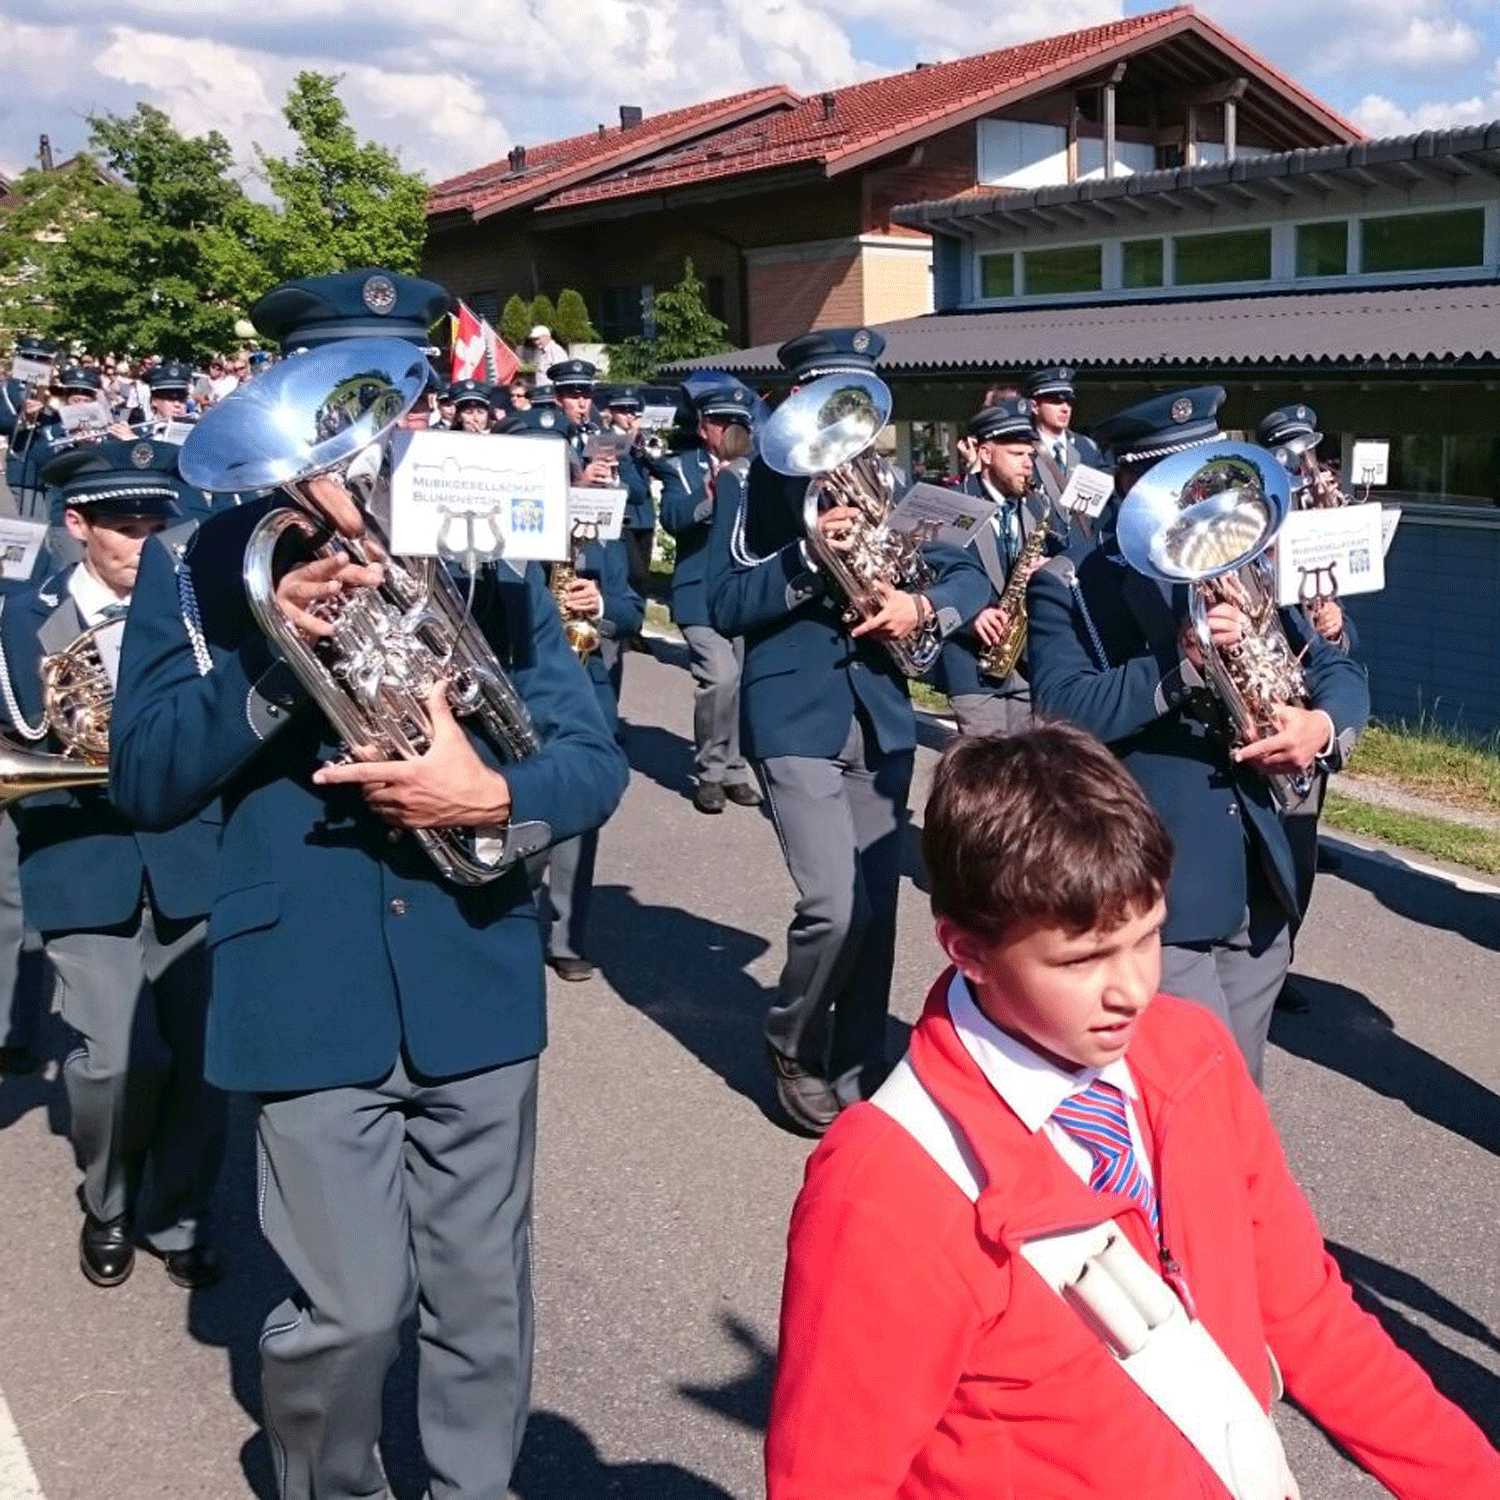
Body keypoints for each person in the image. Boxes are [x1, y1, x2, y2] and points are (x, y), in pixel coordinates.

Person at [109, 269, 630, 1499]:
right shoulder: (197, 567)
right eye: (332, 406)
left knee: (482, 1303)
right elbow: (144, 777)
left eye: (385, 402)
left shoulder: (488, 548)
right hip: (304, 980)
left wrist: (494, 798)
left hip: (475, 956)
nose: (363, 443)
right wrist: (279, 655)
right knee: (345, 1314)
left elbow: (589, 757)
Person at [766, 723, 1500, 1500]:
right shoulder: (886, 1190)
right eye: (1081, 960)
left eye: (1147, 938)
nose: (1133, 991)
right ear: (968, 950)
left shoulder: (1192, 1053)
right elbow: (832, 1476)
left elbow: (1311, 1319)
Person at [1026, 386, 1369, 1085]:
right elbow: (1060, 712)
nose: (1199, 508)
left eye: (1207, 484)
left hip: (1263, 879)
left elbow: (1334, 667)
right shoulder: (1071, 585)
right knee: (1191, 1096)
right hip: (1163, 888)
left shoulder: (1253, 566)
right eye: (1176, 487)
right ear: (1130, 485)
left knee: (1239, 1097)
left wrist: (1322, 727)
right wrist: (1178, 666)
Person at [706, 326, 989, 1134]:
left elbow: (970, 569)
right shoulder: (752, 484)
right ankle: (792, 1042)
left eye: (858, 403)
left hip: (881, 712)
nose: (845, 427)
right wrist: (805, 557)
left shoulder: (895, 484)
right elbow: (721, 603)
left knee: (875, 906)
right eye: (831, 403)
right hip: (793, 710)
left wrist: (922, 605)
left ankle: (861, 1065)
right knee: (833, 903)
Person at [0, 438, 225, 1288]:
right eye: (126, 527)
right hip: (82, 855)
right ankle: (111, 1199)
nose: (146, 543)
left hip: (191, 852)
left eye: (157, 524)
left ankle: (179, 1211)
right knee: (114, 1061)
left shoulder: (201, 608)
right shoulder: (18, 616)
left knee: (201, 1056)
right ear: (76, 525)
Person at [541, 480, 644, 981]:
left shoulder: (603, 538)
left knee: (578, 818)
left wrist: (599, 605)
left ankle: (566, 936)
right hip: (515, 683)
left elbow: (631, 612)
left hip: (584, 685)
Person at [660, 380, 761, 814]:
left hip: (743, 590)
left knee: (742, 683)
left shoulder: (759, 468)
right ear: (704, 427)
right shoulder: (681, 467)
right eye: (722, 422)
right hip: (699, 592)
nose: (731, 430)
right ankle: (710, 772)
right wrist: (710, 494)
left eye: (738, 422)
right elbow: (673, 519)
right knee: (720, 678)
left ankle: (735, 769)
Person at [930, 397, 1052, 737]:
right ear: (985, 454)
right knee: (988, 777)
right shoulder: (950, 505)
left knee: (1032, 774)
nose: (1028, 463)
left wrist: (1048, 566)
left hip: (1029, 664)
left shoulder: (1037, 505)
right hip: (973, 666)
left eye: (1029, 454)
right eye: (1016, 454)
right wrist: (973, 615)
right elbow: (928, 576)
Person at [602, 388, 657, 601]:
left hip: (644, 515)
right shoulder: (606, 438)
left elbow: (657, 468)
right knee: (632, 574)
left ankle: (637, 627)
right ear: (612, 412)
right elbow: (617, 468)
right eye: (624, 410)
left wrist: (646, 450)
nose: (630, 416)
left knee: (643, 577)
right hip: (626, 516)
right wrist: (629, 440)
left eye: (633, 410)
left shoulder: (641, 441)